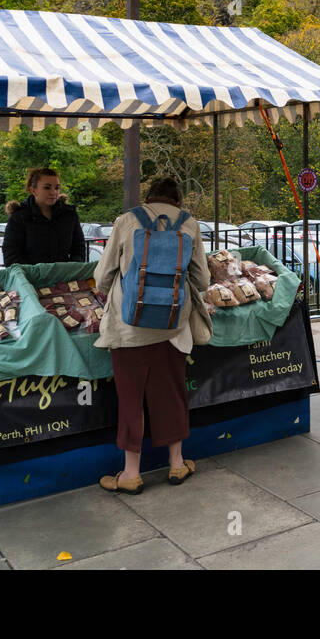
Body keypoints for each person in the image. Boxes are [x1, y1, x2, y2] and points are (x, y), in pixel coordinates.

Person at [93, 176, 210, 494]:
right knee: (171, 393)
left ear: (148, 197)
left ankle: (131, 474)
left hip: (129, 328)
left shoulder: (126, 220)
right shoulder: (189, 224)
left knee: (131, 399)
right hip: (173, 327)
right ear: (179, 201)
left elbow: (102, 276)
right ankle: (176, 464)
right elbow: (201, 279)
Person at [2, 167, 86, 266]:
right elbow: (11, 257)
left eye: (57, 188)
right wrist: (37, 274)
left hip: (64, 277)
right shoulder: (19, 218)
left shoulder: (69, 215)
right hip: (30, 279)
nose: (53, 192)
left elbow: (79, 249)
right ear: (33, 190)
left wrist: (69, 270)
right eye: (47, 187)